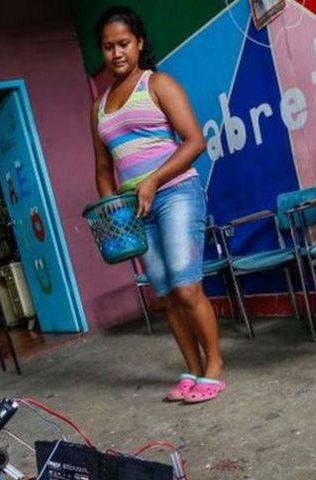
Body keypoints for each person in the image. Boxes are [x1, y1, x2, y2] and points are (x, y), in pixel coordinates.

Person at [92, 5, 226, 404]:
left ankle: (214, 367)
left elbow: (195, 141)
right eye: (107, 47)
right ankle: (191, 369)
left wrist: (153, 180)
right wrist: (112, 206)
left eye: (123, 44)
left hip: (175, 193)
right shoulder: (97, 108)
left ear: (139, 44)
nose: (116, 53)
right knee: (166, 294)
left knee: (187, 290)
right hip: (135, 210)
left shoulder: (157, 84)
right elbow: (102, 169)